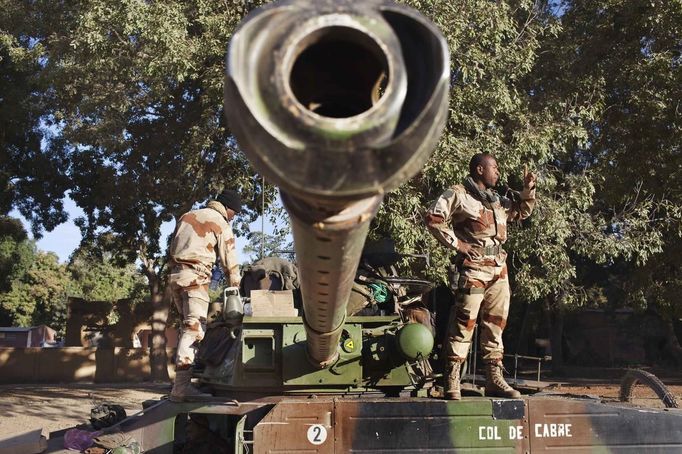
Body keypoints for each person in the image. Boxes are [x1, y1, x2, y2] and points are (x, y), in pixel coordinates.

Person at [425, 153, 536, 400]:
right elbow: (433, 218)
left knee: (496, 325)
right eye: (493, 167)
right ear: (479, 169)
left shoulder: (497, 201)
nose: (497, 172)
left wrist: (528, 189)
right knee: (464, 323)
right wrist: (458, 245)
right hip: (474, 268)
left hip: (499, 269)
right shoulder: (458, 194)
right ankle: (452, 378)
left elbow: (522, 212)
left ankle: (494, 379)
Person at [168, 189, 242, 401]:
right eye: (234, 214)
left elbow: (174, 246)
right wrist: (236, 289)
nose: (233, 218)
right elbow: (230, 261)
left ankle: (181, 383)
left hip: (176, 276)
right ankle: (181, 388)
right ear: (228, 209)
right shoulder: (220, 222)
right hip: (196, 278)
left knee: (186, 329)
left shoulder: (187, 216)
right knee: (195, 329)